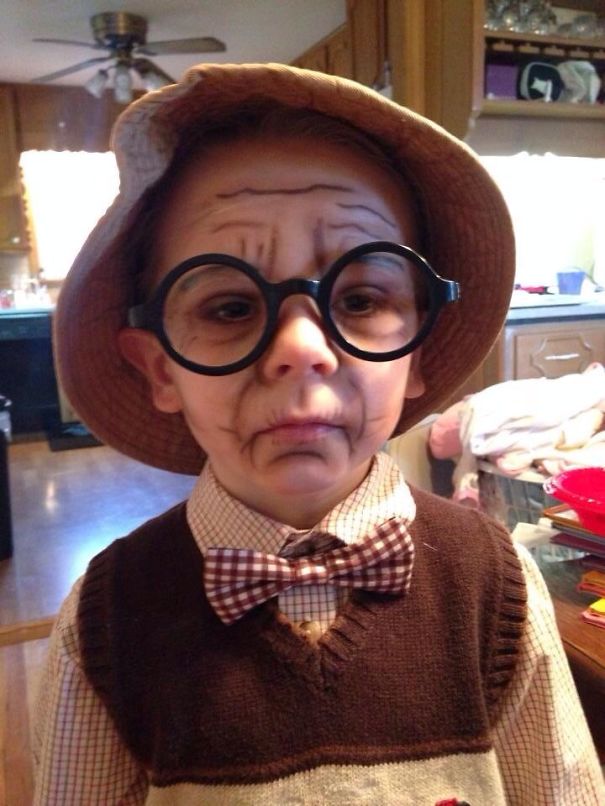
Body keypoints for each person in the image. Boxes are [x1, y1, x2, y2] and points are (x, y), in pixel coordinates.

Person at [33, 63, 604, 805]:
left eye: (360, 297)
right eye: (230, 308)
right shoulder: (106, 619)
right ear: (158, 369)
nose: (301, 346)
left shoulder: (496, 584)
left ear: (421, 348)